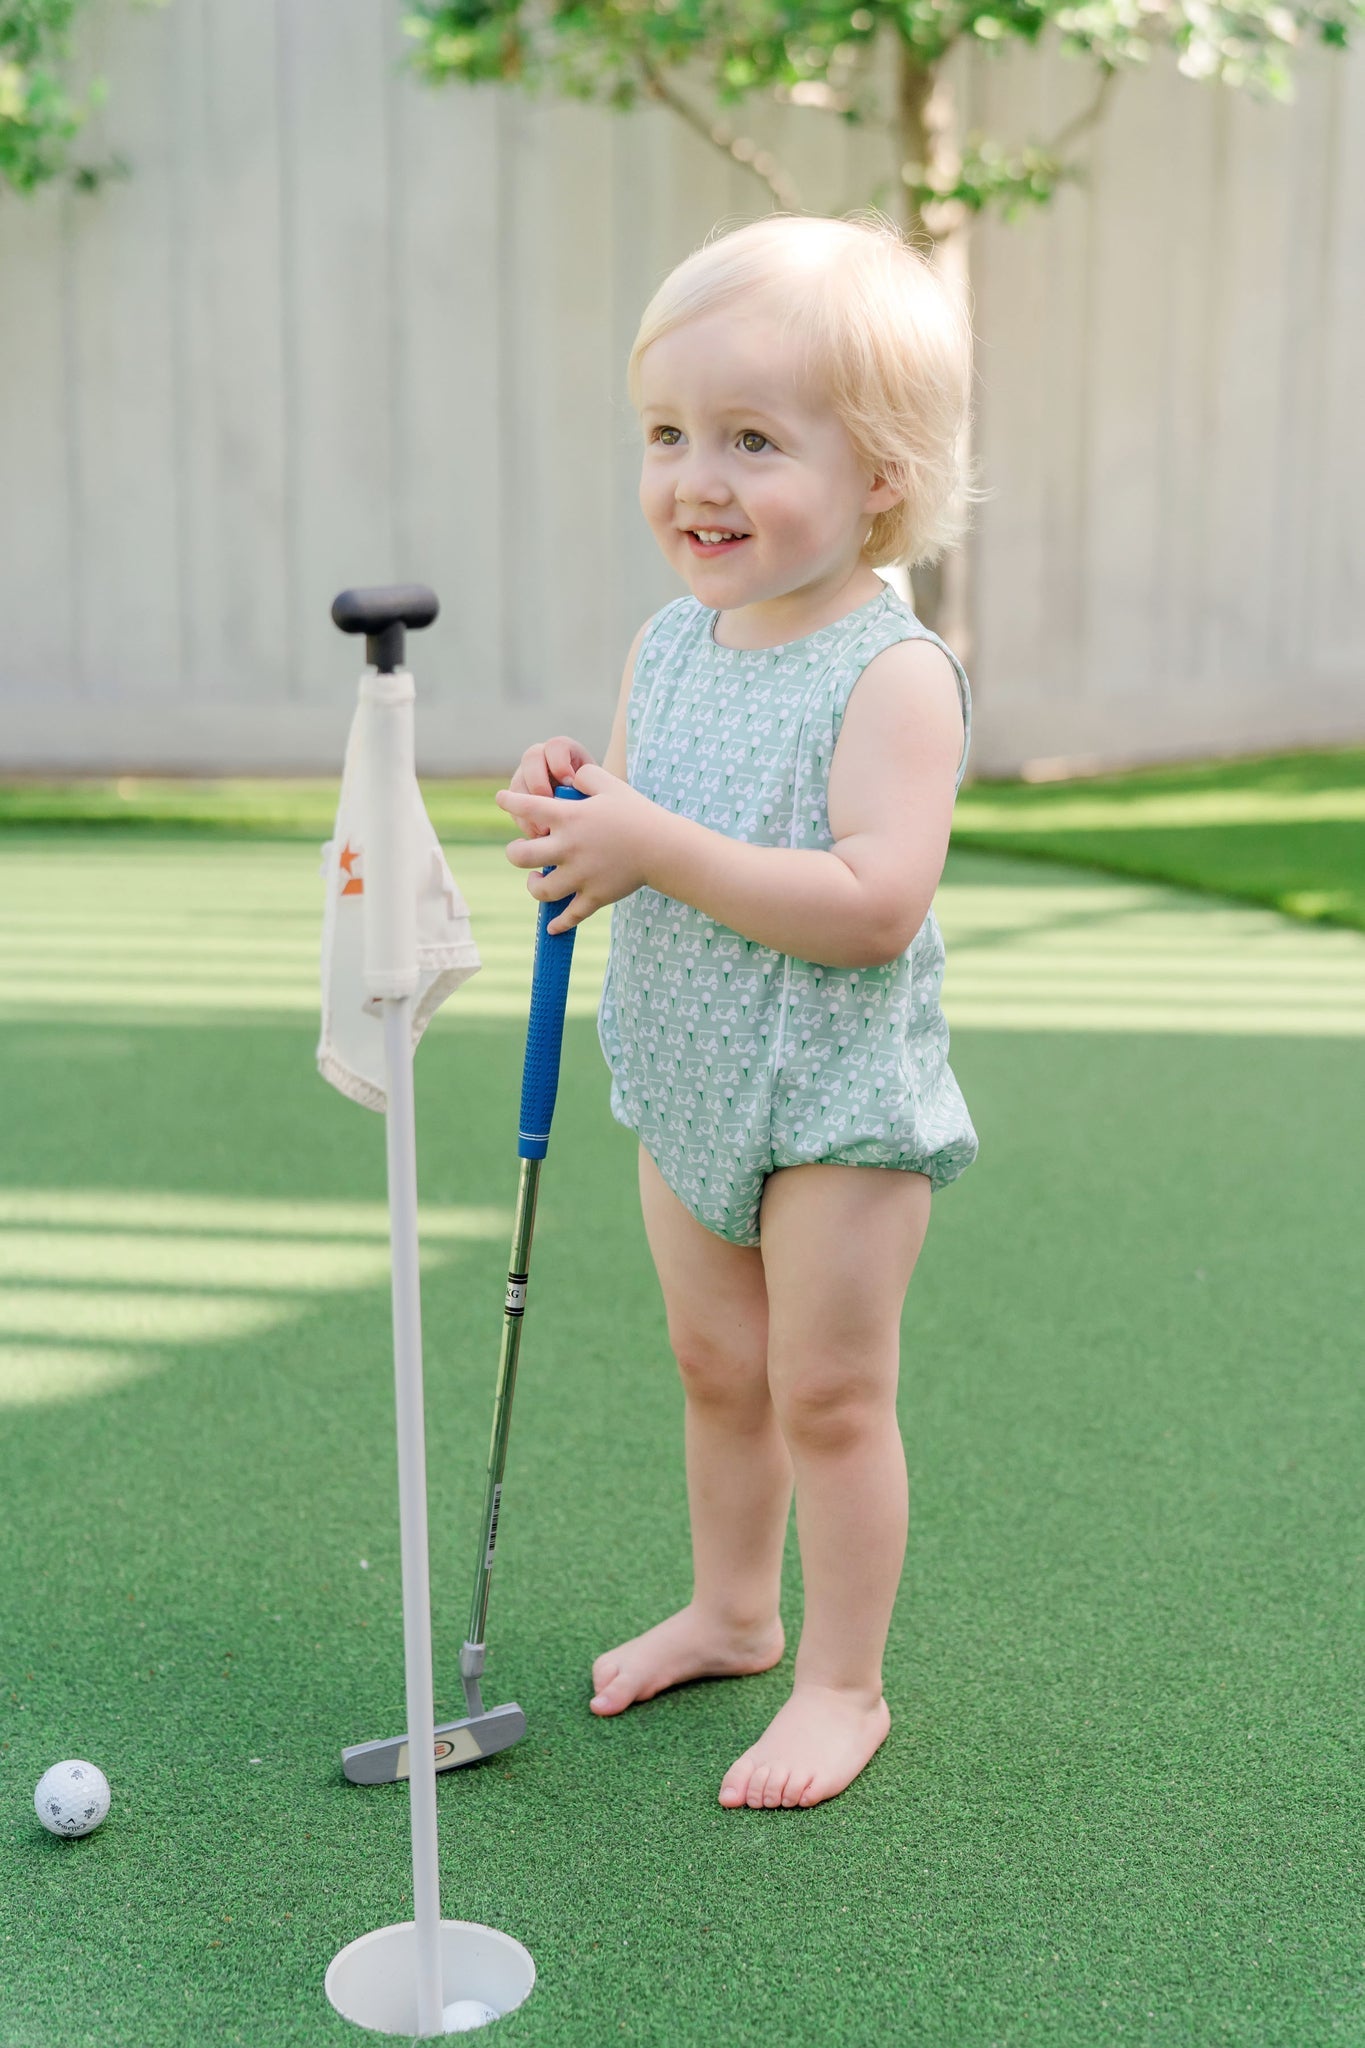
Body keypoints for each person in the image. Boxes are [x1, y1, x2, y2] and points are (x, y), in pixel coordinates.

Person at [495, 208, 984, 1811]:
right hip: (689, 1079)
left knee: (826, 1395)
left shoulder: (890, 673)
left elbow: (869, 908)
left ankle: (846, 1683)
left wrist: (658, 844)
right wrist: (588, 827)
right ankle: (732, 1606)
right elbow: (646, 837)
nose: (695, 479)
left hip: (830, 1107)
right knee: (717, 1372)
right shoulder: (672, 639)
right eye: (667, 434)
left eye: (753, 441)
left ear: (881, 480)